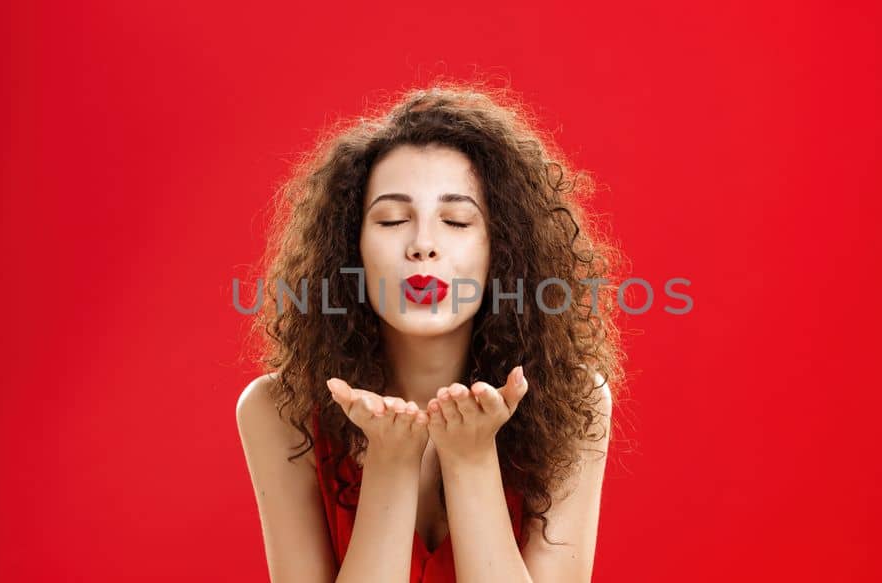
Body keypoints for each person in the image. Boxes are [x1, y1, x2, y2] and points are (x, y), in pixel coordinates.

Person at [236, 82, 625, 582]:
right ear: (349, 249)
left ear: (501, 252)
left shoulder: (577, 399)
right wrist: (391, 463)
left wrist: (471, 459)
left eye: (457, 221)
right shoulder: (277, 409)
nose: (422, 245)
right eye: (393, 219)